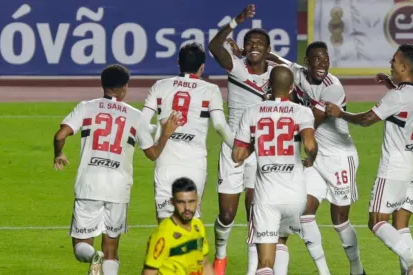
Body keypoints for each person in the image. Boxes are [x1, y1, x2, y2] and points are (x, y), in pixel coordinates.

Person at [53, 64, 182, 275]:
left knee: (80, 245)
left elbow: (60, 136)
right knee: (111, 249)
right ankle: (104, 262)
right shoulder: (136, 116)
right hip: (118, 189)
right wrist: (165, 133)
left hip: (89, 185)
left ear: (104, 85)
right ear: (124, 88)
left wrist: (58, 154)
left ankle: (93, 256)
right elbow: (152, 154)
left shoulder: (86, 107)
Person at [325, 44, 413, 275]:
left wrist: (339, 113)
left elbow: (367, 119)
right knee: (401, 224)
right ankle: (409, 270)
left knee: (376, 221)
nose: (390, 63)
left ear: (404, 67)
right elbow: (406, 101)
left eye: (394, 60)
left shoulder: (396, 96)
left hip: (395, 167)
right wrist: (390, 83)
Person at [208, 4, 277, 274]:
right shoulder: (236, 67)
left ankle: (252, 270)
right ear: (244, 47)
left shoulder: (276, 75)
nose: (254, 46)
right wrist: (237, 20)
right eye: (250, 43)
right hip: (233, 148)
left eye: (260, 43)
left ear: (267, 48)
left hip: (261, 151)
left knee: (254, 214)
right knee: (227, 215)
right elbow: (214, 45)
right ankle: (220, 256)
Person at [232, 65, 318, 275]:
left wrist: (256, 143)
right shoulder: (302, 111)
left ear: (269, 85)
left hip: (267, 197)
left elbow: (237, 156)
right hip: (296, 196)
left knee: (265, 261)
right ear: (291, 88)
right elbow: (309, 145)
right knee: (282, 241)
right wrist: (310, 160)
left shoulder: (252, 112)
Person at [142, 42, 234, 223]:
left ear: (178, 62)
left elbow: (142, 122)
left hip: (165, 162)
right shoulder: (210, 89)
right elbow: (219, 126)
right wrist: (238, 149)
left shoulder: (159, 86)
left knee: (165, 223)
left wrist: (152, 144)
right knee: (189, 220)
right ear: (202, 67)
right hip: (195, 162)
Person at [142, 177, 215, 275]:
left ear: (197, 200)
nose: (187, 208)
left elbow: (205, 264)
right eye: (181, 202)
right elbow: (150, 272)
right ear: (172, 202)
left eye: (191, 201)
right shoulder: (164, 233)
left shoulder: (198, 226)